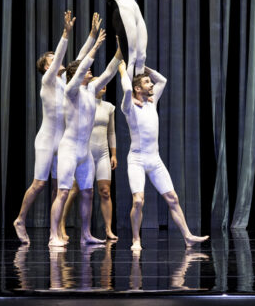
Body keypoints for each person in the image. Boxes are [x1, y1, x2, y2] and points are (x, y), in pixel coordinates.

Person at [13, 11, 101, 244]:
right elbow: (64, 54)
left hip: (62, 141)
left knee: (58, 187)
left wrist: (92, 36)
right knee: (39, 183)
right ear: (46, 67)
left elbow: (80, 61)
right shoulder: (48, 81)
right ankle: (20, 219)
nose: (59, 60)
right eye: (52, 59)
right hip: (46, 140)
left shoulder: (67, 83)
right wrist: (65, 34)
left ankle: (58, 229)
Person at [118, 60, 209, 250]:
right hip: (137, 160)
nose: (151, 85)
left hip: (155, 159)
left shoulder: (152, 101)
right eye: (147, 83)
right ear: (137, 88)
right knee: (138, 200)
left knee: (173, 198)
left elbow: (163, 80)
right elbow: (127, 91)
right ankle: (136, 239)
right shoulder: (129, 107)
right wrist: (122, 70)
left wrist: (143, 67)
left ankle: (188, 236)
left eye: (150, 83)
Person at [48, 29, 120, 247]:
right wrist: (95, 46)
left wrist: (120, 51)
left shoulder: (90, 90)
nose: (90, 71)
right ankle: (54, 235)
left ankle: (86, 234)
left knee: (88, 193)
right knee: (62, 192)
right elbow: (79, 72)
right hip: (68, 149)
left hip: (84, 152)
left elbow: (108, 72)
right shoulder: (70, 91)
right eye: (87, 70)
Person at [59, 81, 119, 241]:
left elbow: (111, 132)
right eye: (99, 82)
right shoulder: (82, 103)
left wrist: (114, 154)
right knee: (73, 190)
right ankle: (61, 225)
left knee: (105, 191)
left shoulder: (109, 107)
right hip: (85, 152)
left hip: (103, 153)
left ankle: (108, 229)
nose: (104, 85)